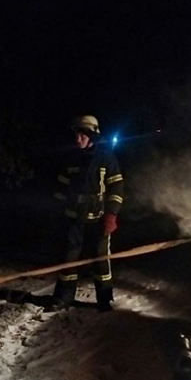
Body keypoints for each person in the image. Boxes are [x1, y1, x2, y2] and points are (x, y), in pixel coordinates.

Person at [51, 114, 124, 311]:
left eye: (82, 135)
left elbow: (116, 189)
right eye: (76, 135)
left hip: (99, 219)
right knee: (68, 259)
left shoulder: (106, 159)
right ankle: (63, 297)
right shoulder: (71, 158)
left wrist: (111, 215)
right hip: (74, 218)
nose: (78, 139)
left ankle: (104, 299)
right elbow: (61, 187)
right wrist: (57, 211)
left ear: (93, 136)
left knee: (101, 261)